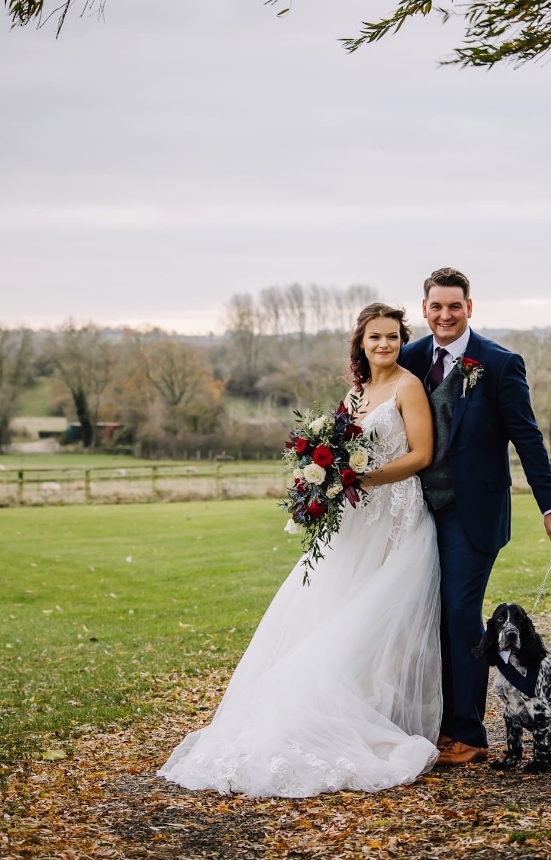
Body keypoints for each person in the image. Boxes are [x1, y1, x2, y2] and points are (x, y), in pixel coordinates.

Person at [158, 304, 442, 797]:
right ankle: (328, 712)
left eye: (393, 338)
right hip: (356, 517)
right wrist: (325, 481)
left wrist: (363, 478)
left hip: (396, 515)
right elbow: (336, 444)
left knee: (380, 615)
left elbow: (421, 455)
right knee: (335, 609)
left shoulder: (407, 386)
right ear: (361, 343)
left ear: (402, 341)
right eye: (375, 338)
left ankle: (375, 712)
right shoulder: (354, 393)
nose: (384, 346)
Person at [398, 267, 551, 767]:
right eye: (436, 307)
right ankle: (433, 724)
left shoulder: (498, 363)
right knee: (423, 618)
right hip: (416, 509)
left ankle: (469, 735)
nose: (445, 315)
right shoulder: (409, 359)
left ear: (469, 308)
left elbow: (528, 437)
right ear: (425, 309)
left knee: (458, 612)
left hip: (474, 514)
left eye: (454, 306)